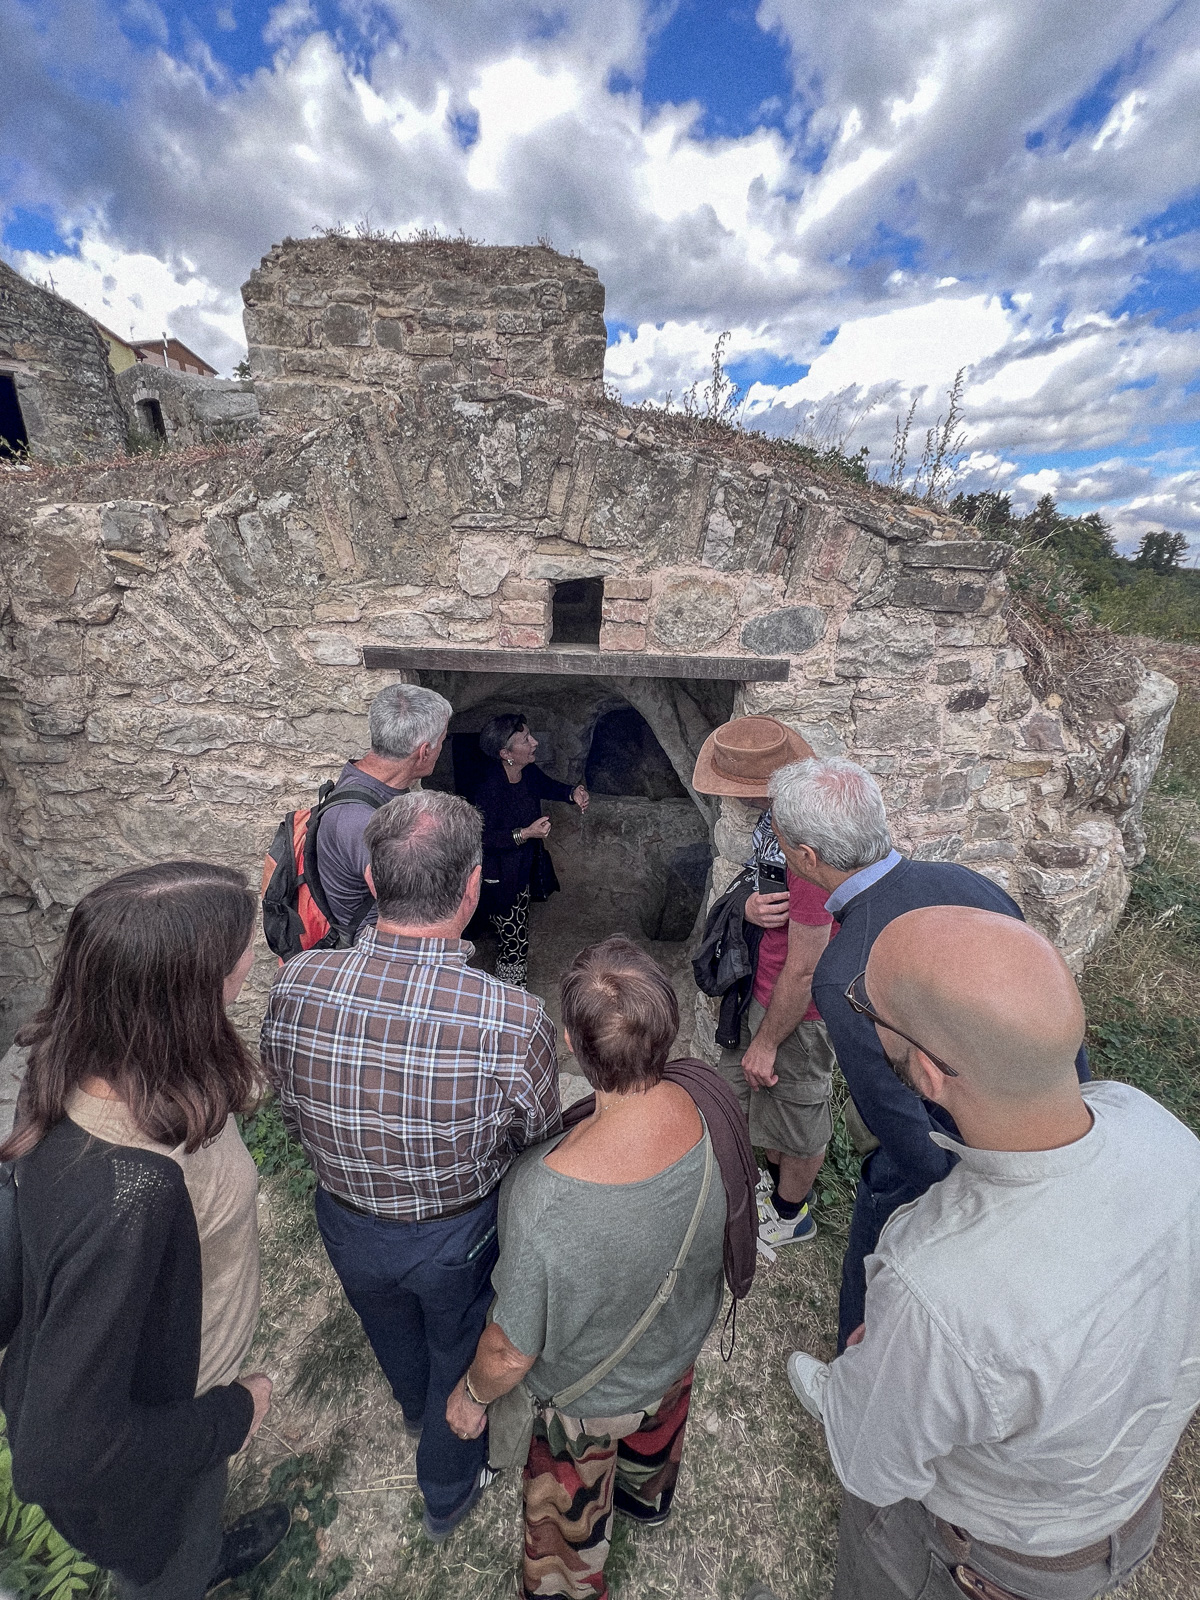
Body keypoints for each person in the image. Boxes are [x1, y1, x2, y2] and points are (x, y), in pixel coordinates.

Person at [787, 906, 1200, 1600]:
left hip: (980, 1561)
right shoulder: (1163, 1133)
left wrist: (884, 1363)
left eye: (869, 1006)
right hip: (1116, 1514)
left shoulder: (934, 1284)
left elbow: (871, 1464)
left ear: (929, 1073)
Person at [260, 789, 562, 1542]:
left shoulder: (294, 984)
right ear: (472, 886)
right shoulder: (512, 1018)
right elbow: (537, 1143)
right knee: (458, 1344)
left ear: (370, 879)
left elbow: (289, 1109)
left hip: (344, 1216)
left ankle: (413, 1406)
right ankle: (447, 1486)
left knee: (384, 1320)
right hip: (456, 1233)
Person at [0, 862, 287, 1600]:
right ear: (188, 991)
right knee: (166, 1565)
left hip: (178, 1372)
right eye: (241, 953)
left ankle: (204, 1550)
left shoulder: (80, 1062)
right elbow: (58, 1457)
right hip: (178, 1414)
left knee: (196, 1525)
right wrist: (232, 1415)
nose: (250, 960)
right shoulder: (132, 1194)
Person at [767, 755, 1090, 1350]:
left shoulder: (845, 970)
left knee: (876, 1270)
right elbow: (1042, 1002)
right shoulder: (969, 883)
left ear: (807, 857)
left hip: (944, 1151)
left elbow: (893, 1115)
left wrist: (955, 1205)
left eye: (783, 842)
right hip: (1039, 1117)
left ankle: (855, 1372)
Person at [445, 937, 728, 1600]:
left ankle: (564, 1586)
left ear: (571, 1044)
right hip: (675, 1357)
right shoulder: (708, 1104)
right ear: (667, 1029)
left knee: (564, 1533)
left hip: (587, 1406)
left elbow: (509, 1351)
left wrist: (472, 1397)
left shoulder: (545, 1197)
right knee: (654, 1440)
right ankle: (646, 1496)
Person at [692, 716, 836, 1248]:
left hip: (798, 1007)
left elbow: (807, 965)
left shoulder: (810, 846)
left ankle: (791, 1215)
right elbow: (765, 891)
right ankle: (769, 1189)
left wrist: (768, 1042)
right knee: (750, 1097)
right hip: (764, 985)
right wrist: (749, 909)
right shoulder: (775, 823)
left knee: (800, 1113)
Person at [315, 681, 452, 938]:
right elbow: (410, 914)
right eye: (443, 740)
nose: (442, 749)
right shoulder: (362, 821)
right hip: (376, 951)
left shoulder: (365, 780)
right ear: (424, 751)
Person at [473, 712, 589, 987]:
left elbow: (546, 785)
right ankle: (511, 994)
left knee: (516, 930)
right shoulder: (489, 788)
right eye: (525, 739)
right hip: (498, 876)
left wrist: (572, 793)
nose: (535, 742)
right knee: (514, 940)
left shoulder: (526, 773)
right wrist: (525, 833)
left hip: (521, 868)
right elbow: (481, 838)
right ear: (506, 754)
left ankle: (512, 990)